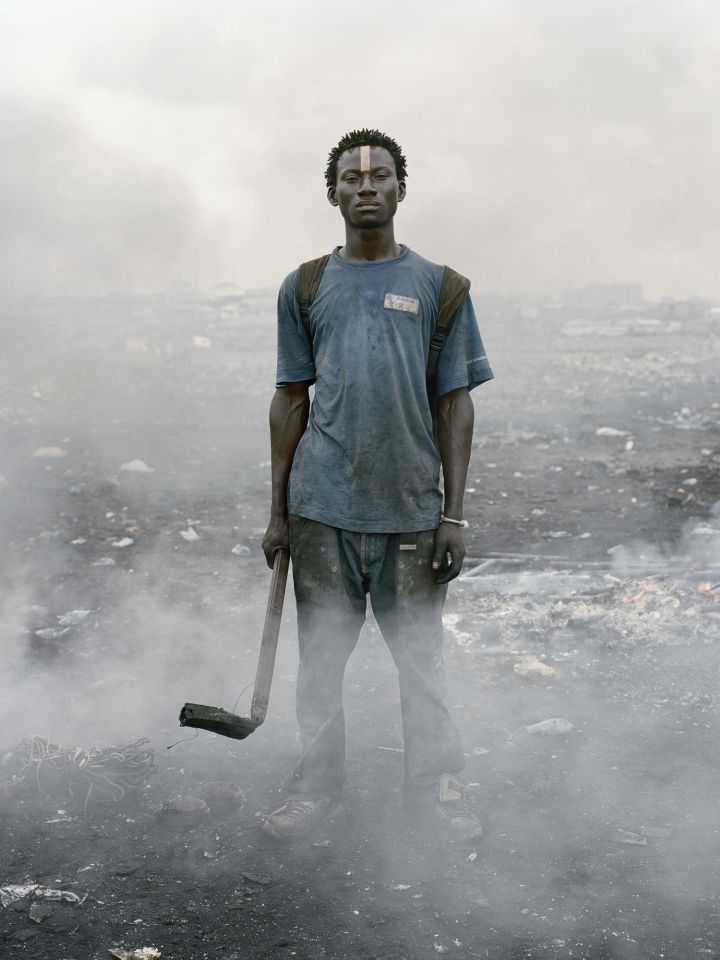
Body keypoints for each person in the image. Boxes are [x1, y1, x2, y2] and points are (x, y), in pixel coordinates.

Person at [261, 129, 493, 843]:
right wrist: (278, 514)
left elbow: (455, 404)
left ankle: (437, 791)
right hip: (322, 511)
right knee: (320, 664)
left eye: (380, 175)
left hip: (411, 513)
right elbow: (290, 400)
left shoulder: (442, 288)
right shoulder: (305, 286)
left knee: (421, 664)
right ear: (332, 192)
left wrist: (454, 516)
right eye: (352, 177)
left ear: (401, 188)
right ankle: (317, 790)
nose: (366, 186)